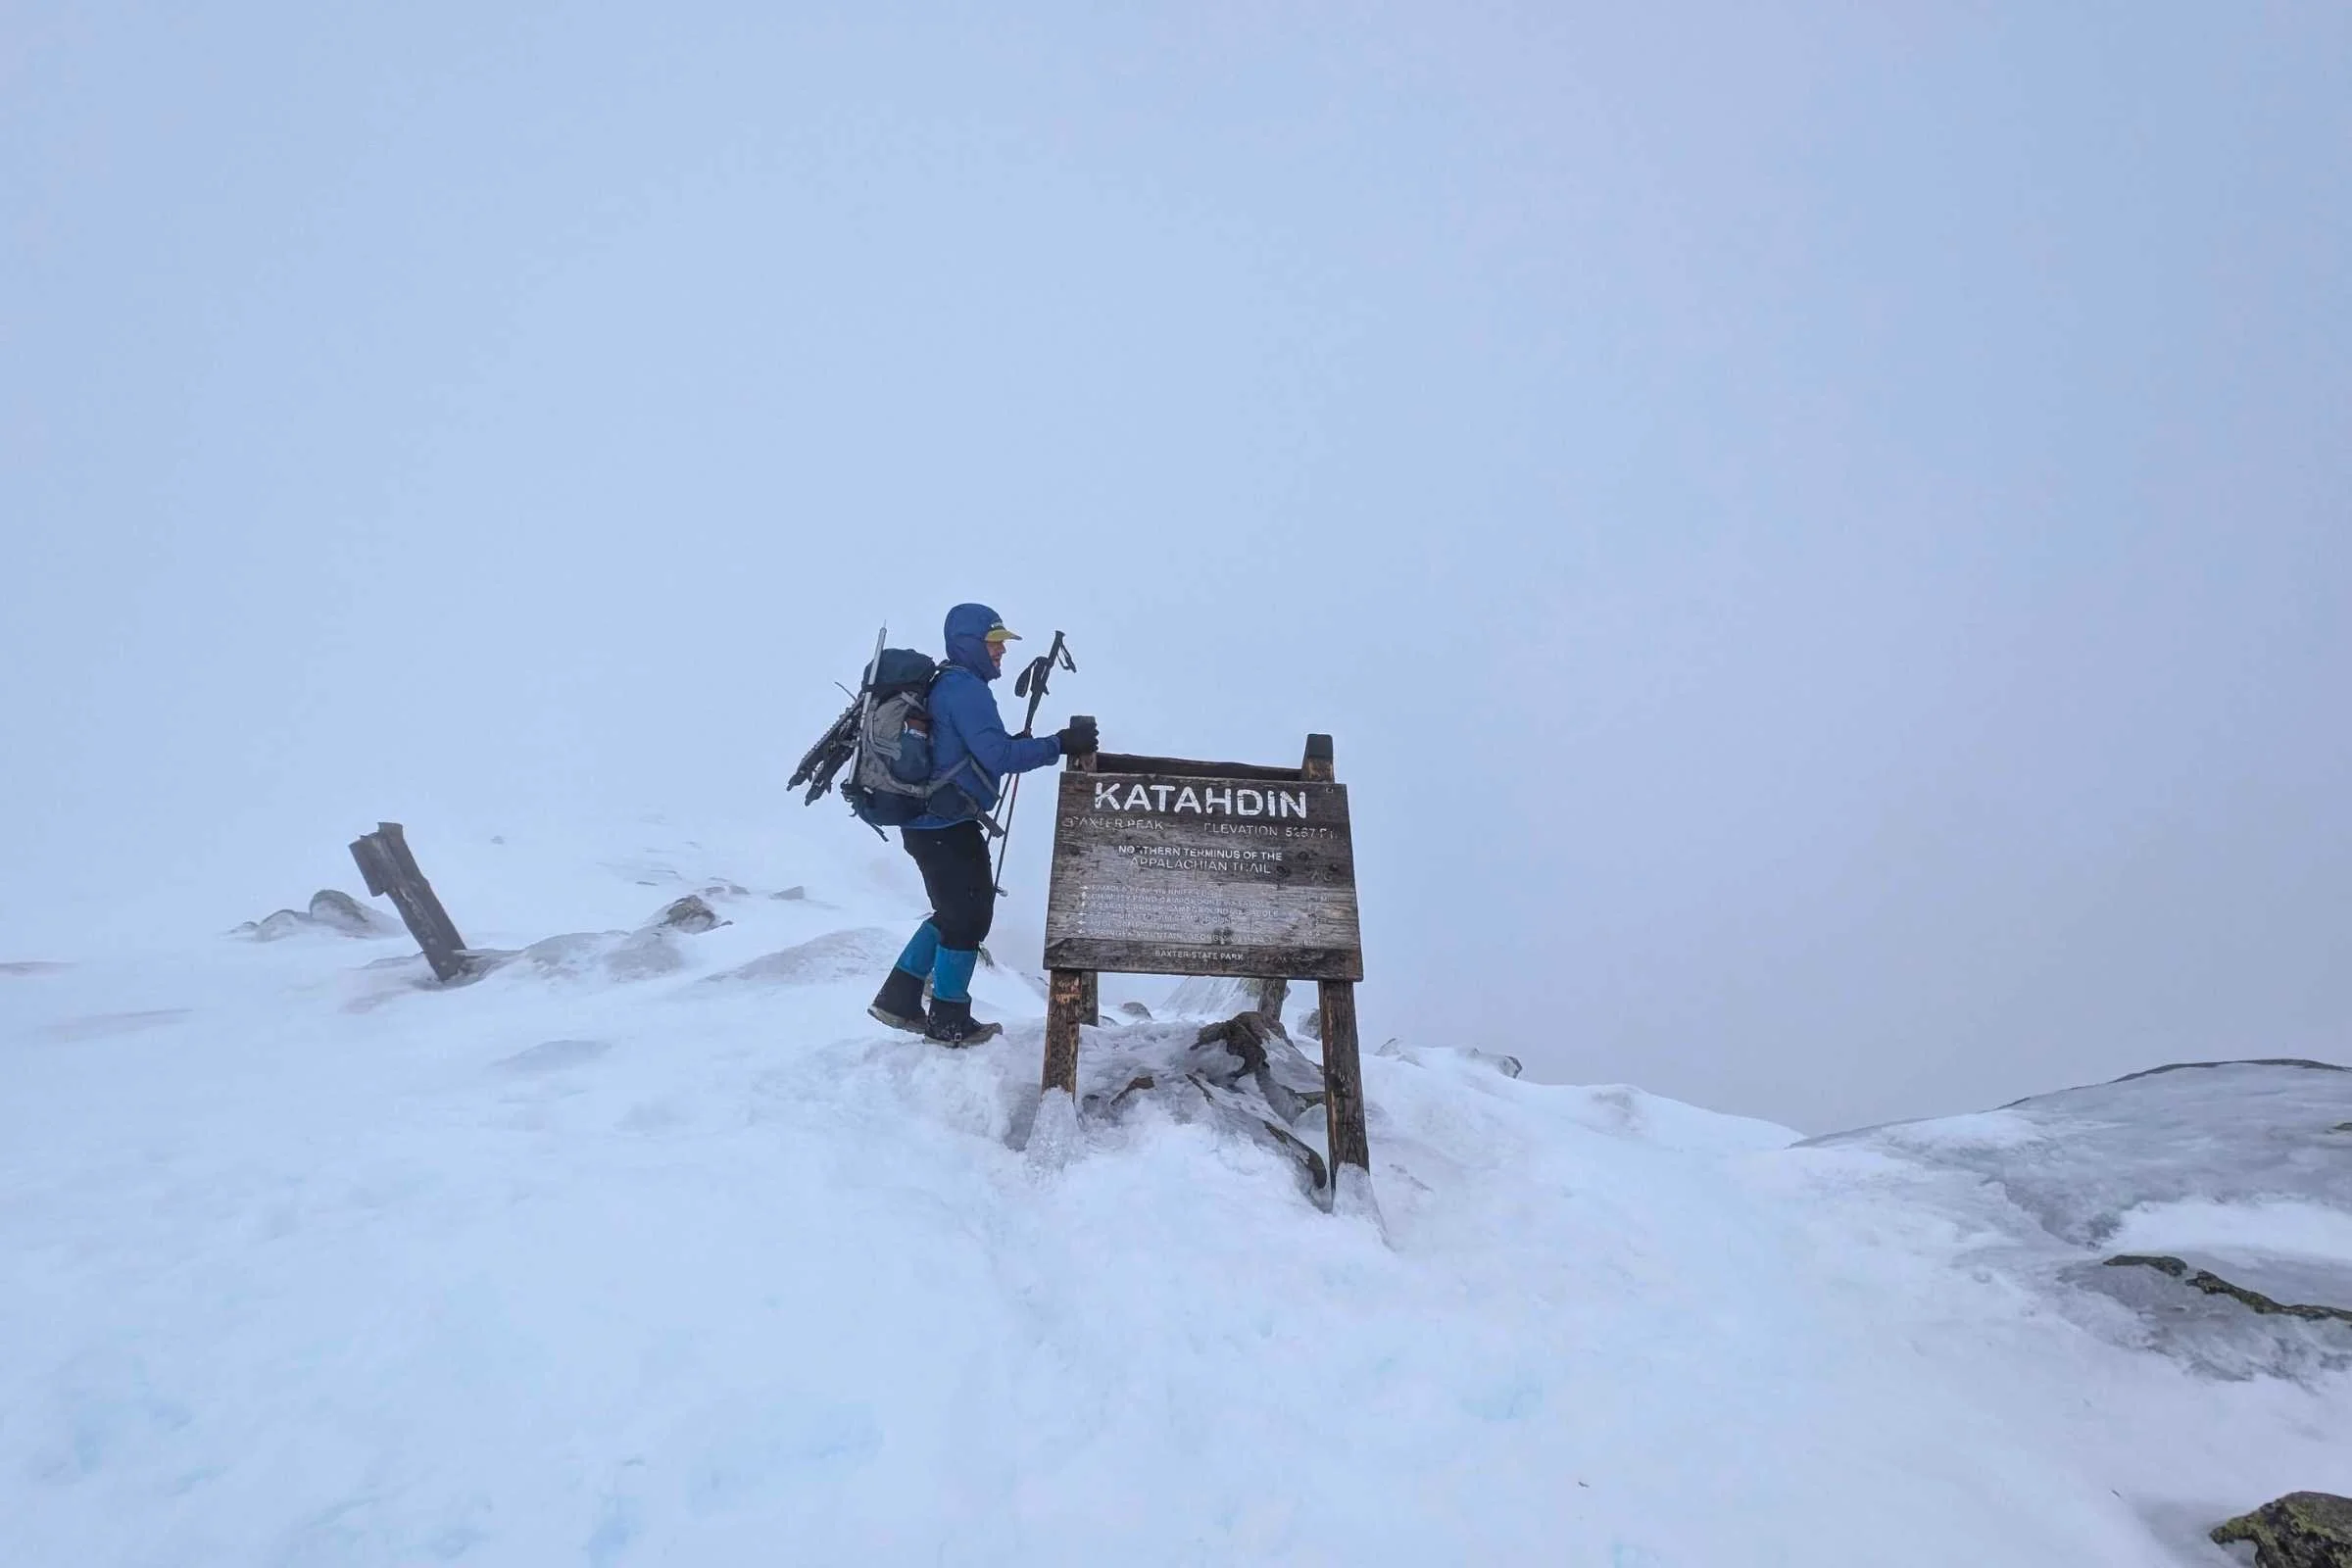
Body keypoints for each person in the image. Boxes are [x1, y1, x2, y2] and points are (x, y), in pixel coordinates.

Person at [868, 603, 1098, 1045]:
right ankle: (949, 1019)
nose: (1000, 654)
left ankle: (898, 998)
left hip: (927, 821)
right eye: (994, 644)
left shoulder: (947, 685)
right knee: (970, 917)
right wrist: (1060, 744)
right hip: (947, 824)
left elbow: (967, 749)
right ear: (970, 644)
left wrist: (1020, 746)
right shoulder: (965, 689)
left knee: (954, 912)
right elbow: (1000, 757)